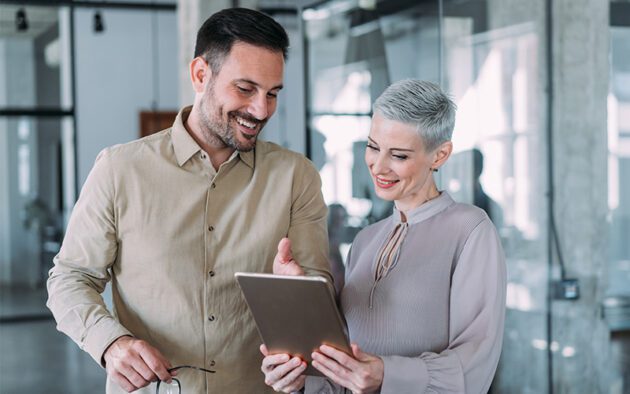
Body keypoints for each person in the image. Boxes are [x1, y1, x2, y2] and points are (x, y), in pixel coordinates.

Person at [46, 8, 331, 394]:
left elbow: (317, 294)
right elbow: (70, 278)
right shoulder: (119, 169)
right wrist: (110, 343)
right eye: (245, 89)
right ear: (200, 75)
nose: (261, 110)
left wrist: (303, 298)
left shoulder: (297, 177)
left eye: (273, 94)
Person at [262, 79, 507, 393]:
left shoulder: (471, 230)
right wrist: (297, 373)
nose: (378, 166)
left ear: (440, 155)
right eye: (373, 147)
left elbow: (474, 367)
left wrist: (387, 375)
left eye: (399, 156)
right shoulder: (365, 240)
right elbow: (341, 372)